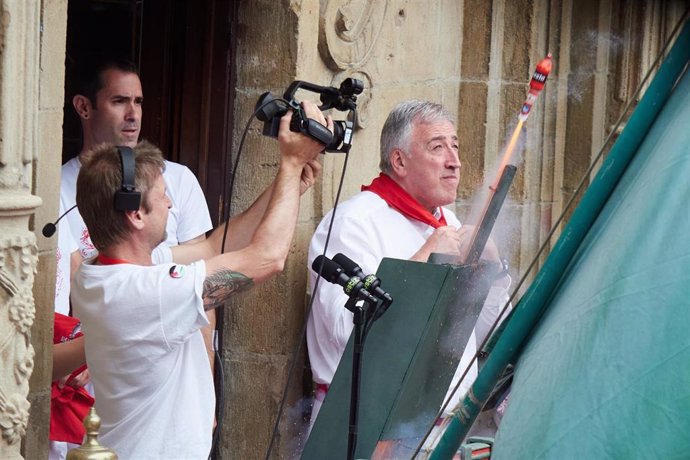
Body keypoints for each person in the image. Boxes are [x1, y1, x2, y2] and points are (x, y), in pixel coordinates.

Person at [70, 101, 328, 458]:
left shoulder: (103, 271)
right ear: (135, 214)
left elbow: (212, 246)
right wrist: (291, 161)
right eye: (162, 197)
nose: (171, 204)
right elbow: (267, 259)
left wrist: (287, 185)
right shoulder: (144, 293)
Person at [305, 100, 511, 432]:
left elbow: (482, 333)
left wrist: (494, 273)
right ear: (399, 160)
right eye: (438, 148)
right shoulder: (354, 223)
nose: (454, 162)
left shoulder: (451, 222)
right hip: (366, 426)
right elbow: (347, 334)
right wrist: (422, 262)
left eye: (455, 147)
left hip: (443, 428)